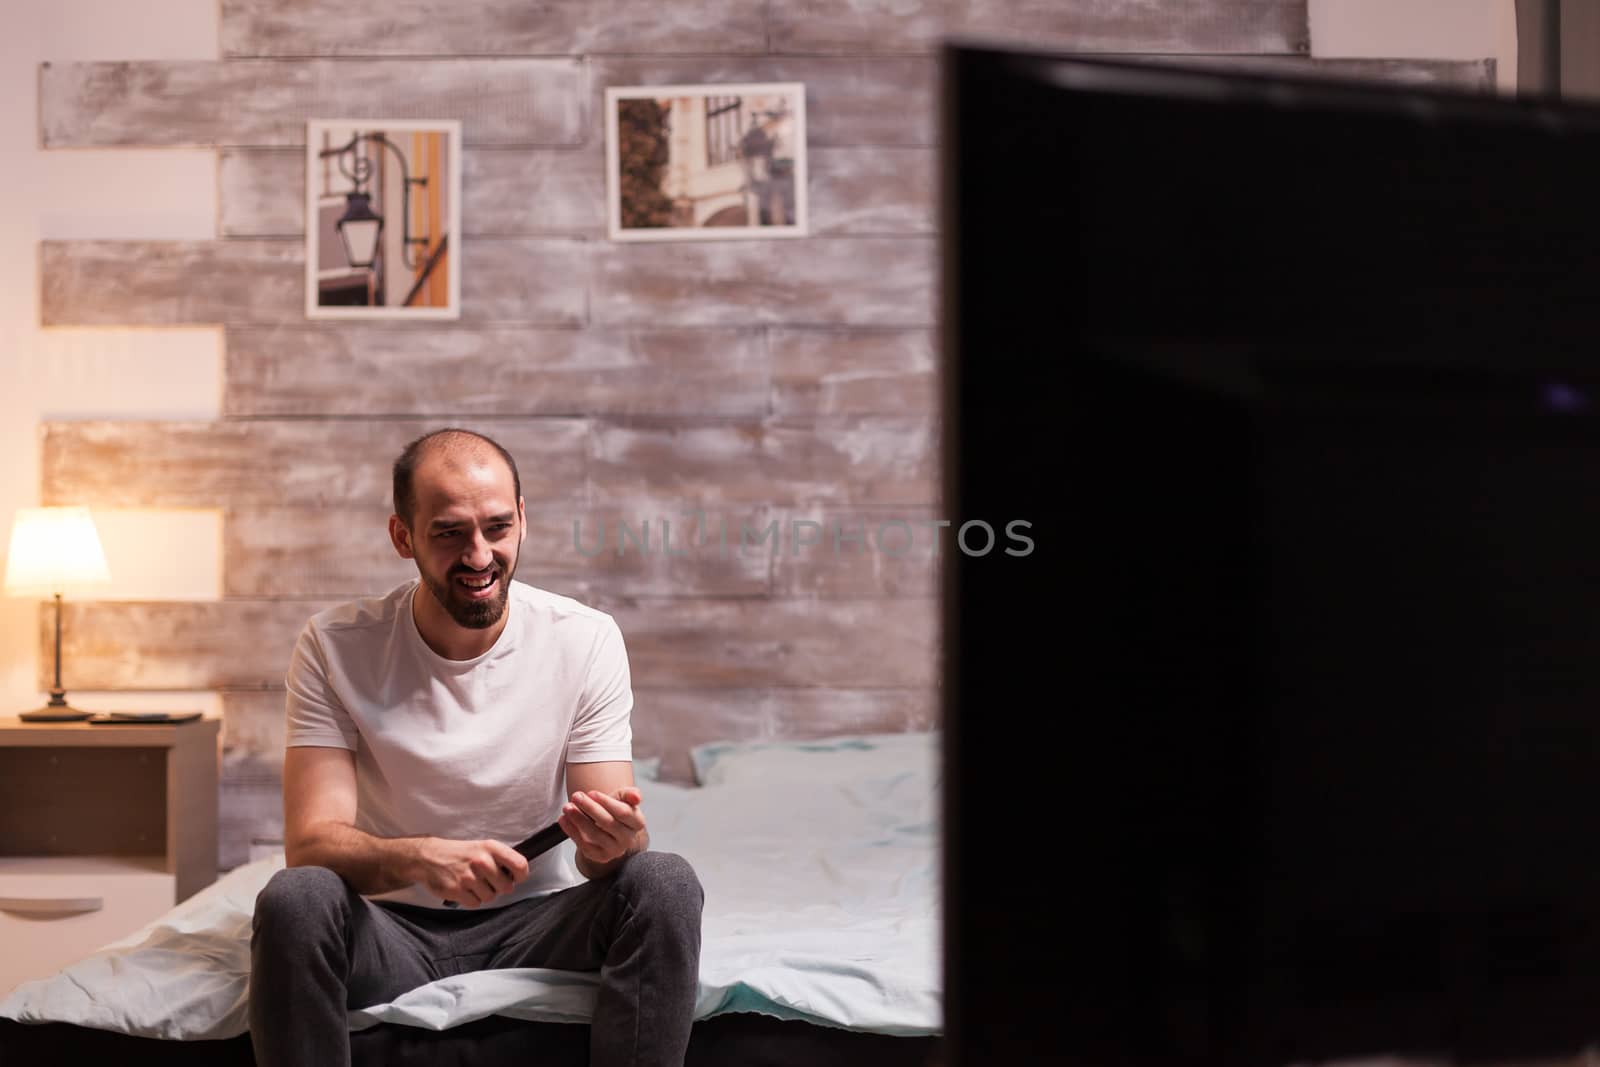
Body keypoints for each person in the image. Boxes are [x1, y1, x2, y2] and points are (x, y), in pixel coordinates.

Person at [248, 427, 704, 1067]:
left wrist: (614, 844)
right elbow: (312, 845)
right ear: (402, 536)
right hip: (389, 930)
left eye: (497, 527)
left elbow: (607, 860)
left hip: (538, 925)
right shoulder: (335, 645)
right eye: (450, 533)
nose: (480, 555)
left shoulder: (586, 640)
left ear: (523, 519)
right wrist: (421, 859)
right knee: (294, 898)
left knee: (663, 879)